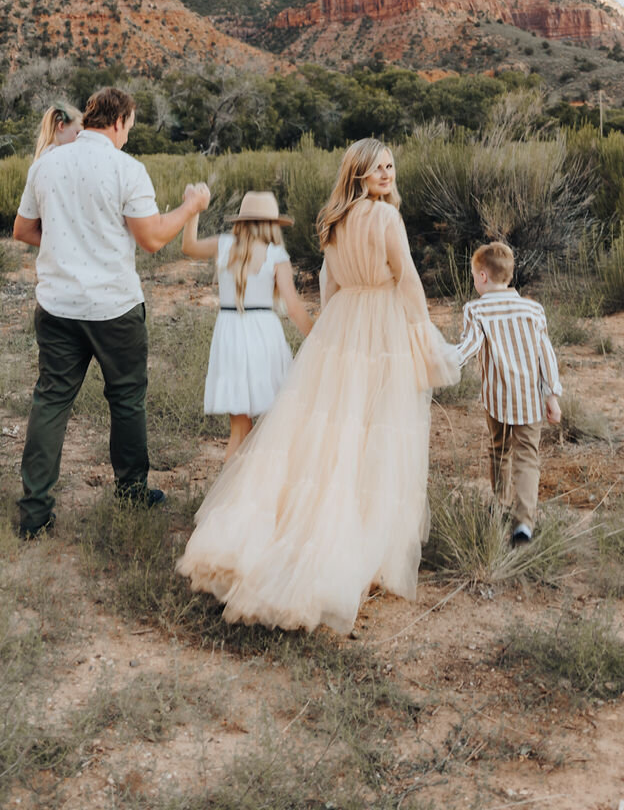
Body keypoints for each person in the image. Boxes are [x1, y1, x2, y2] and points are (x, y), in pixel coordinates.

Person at [176, 139, 459, 634]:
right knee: (375, 425)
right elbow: (408, 278)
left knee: (327, 427)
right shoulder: (386, 220)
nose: (388, 174)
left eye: (391, 166)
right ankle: (359, 548)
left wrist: (331, 329)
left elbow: (328, 286)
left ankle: (293, 529)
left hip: (342, 322)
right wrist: (423, 332)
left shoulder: (334, 223)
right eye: (378, 168)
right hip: (381, 323)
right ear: (359, 174)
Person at [12, 85, 210, 538]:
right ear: (119, 122)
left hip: (58, 306)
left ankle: (34, 515)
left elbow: (22, 230)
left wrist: (65, 244)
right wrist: (191, 205)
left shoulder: (45, 165)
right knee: (125, 400)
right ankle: (131, 491)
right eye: (130, 129)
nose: (128, 138)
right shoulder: (127, 169)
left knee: (51, 402)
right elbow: (153, 239)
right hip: (115, 309)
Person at [181, 190, 313, 462]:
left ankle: (230, 496)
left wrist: (191, 209)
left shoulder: (224, 244)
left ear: (241, 220)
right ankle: (261, 487)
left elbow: (188, 247)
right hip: (264, 335)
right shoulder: (276, 254)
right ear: (273, 225)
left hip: (229, 333)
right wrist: (318, 336)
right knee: (275, 419)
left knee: (240, 429)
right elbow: (293, 306)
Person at [456, 241, 562, 547]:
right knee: (528, 457)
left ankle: (501, 503)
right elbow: (546, 354)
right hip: (530, 399)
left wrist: (439, 361)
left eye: (475, 275)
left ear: (483, 277)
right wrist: (551, 396)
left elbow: (467, 349)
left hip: (497, 400)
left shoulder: (476, 309)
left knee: (499, 450)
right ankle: (523, 524)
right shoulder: (533, 309)